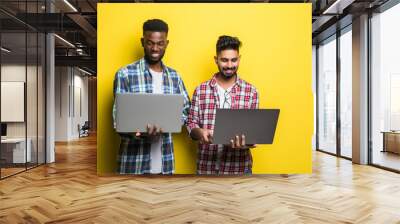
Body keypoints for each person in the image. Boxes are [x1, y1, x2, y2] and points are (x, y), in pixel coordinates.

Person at [113, 19, 190, 174]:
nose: (155, 48)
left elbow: (186, 110)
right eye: (150, 43)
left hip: (165, 164)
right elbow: (118, 120)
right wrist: (140, 134)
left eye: (160, 43)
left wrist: (169, 122)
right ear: (143, 42)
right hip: (133, 165)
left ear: (166, 43)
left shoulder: (175, 76)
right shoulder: (125, 74)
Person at [188, 35, 259, 175]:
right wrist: (200, 133)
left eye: (234, 60)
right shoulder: (201, 90)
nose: (229, 65)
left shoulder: (251, 92)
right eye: (224, 60)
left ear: (239, 59)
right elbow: (191, 124)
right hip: (206, 167)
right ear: (216, 60)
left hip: (239, 169)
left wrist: (247, 142)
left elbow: (253, 133)